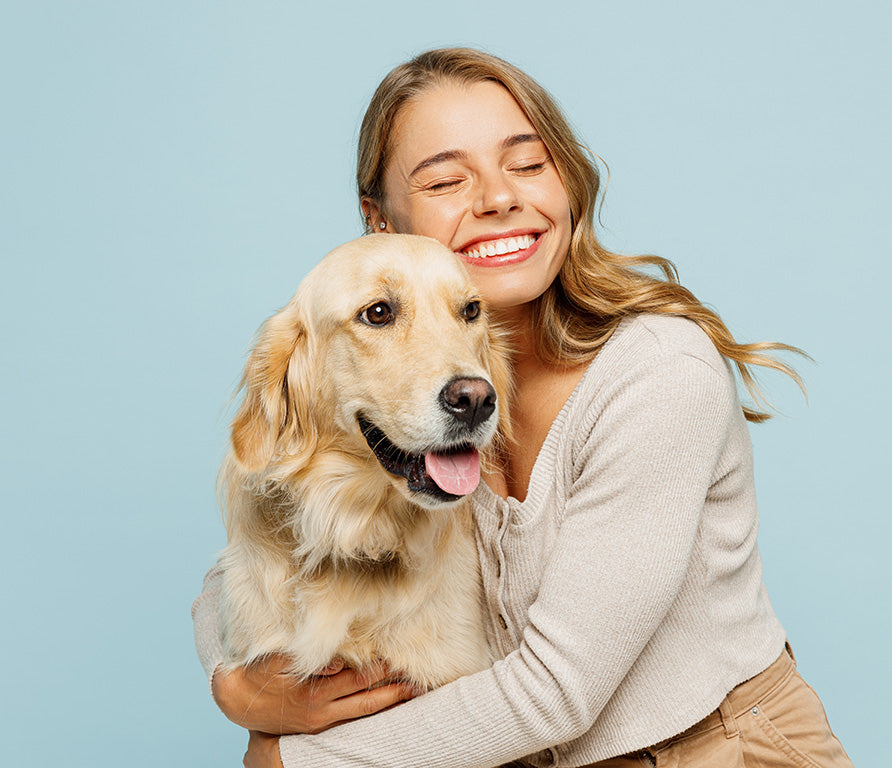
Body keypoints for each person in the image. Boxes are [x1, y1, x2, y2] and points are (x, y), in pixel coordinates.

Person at [192, 47, 854, 768]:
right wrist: (235, 686)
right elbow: (244, 564)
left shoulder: (660, 374)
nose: (499, 197)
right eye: (446, 178)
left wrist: (288, 759)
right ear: (379, 219)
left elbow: (556, 691)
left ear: (566, 183)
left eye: (530, 164)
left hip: (722, 750)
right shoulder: (403, 404)